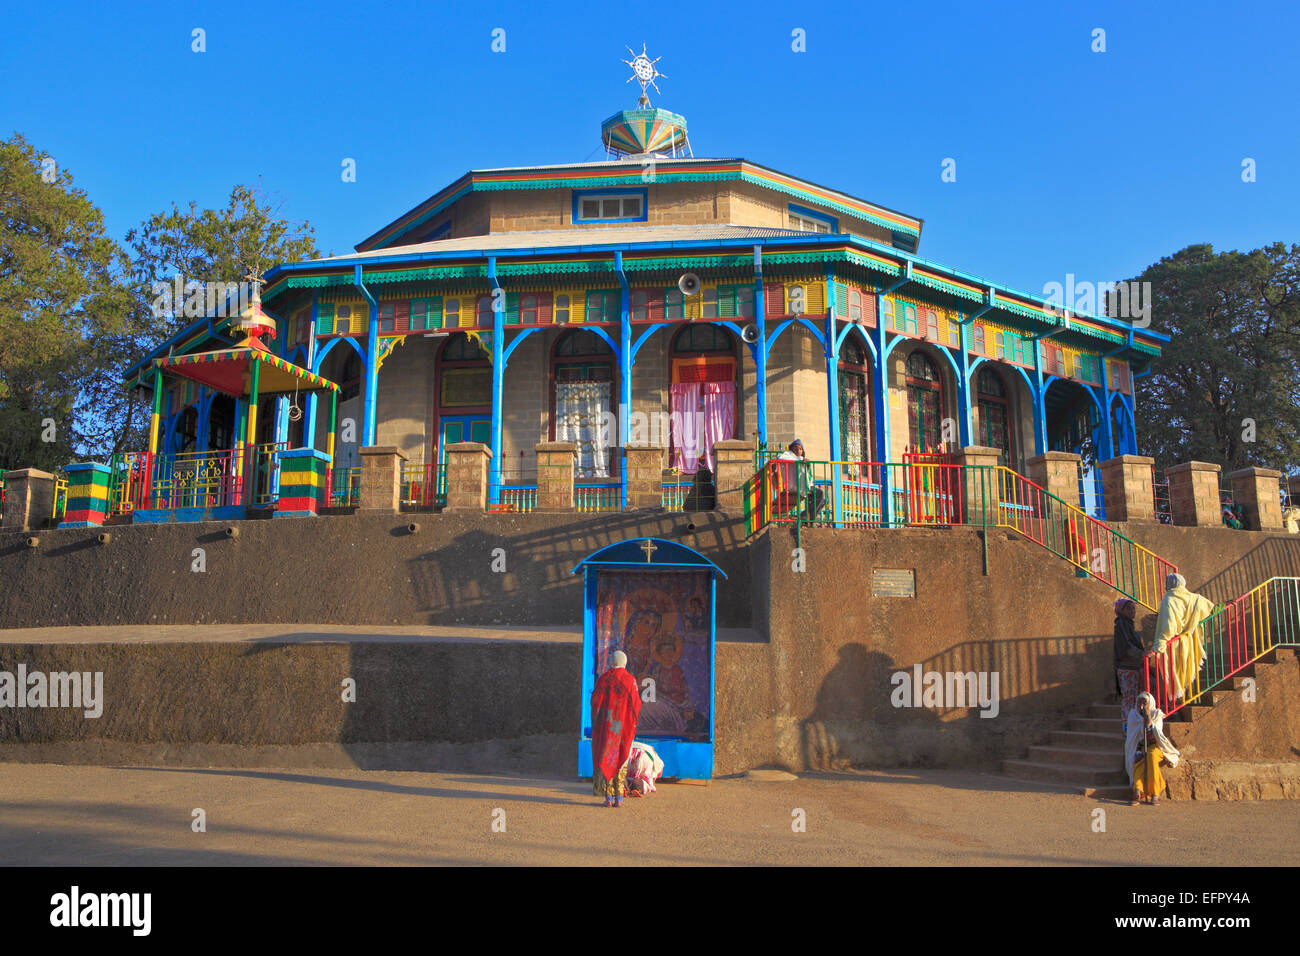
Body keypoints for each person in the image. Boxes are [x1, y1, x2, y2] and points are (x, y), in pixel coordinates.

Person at [1152, 572, 1216, 704]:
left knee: (1176, 673)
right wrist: (1224, 604)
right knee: (1189, 670)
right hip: (1191, 640)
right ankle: (1192, 700)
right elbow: (1211, 609)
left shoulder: (1169, 600)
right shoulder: (1195, 598)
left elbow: (1168, 626)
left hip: (1174, 644)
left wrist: (1159, 644)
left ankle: (1181, 704)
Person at [590, 650, 642, 808]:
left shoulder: (603, 679)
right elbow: (636, 705)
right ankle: (619, 797)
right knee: (621, 758)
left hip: (606, 728)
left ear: (611, 662)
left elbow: (595, 704)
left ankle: (608, 797)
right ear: (625, 662)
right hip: (624, 728)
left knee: (607, 757)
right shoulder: (630, 680)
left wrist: (597, 724)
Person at [1125, 691, 1180, 805]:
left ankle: (1155, 794)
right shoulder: (1133, 715)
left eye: (1144, 702)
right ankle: (1137, 790)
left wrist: (1147, 715)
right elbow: (1133, 735)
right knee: (1138, 758)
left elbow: (1156, 732)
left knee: (1151, 756)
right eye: (1139, 702)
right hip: (1139, 745)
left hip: (1156, 745)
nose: (1141, 704)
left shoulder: (1157, 714)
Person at [775, 439, 825, 520]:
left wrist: (805, 463)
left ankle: (805, 518)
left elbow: (809, 477)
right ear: (792, 449)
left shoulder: (802, 459)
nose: (798, 450)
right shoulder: (788, 455)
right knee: (820, 493)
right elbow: (779, 457)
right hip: (795, 486)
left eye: (800, 449)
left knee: (823, 501)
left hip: (803, 485)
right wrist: (799, 460)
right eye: (796, 448)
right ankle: (805, 518)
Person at [1112, 598, 1144, 724]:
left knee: (1135, 699)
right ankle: (1128, 729)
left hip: (1134, 668)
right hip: (1127, 669)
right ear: (1121, 610)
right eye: (1129, 608)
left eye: (1134, 608)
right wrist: (1141, 653)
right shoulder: (1122, 624)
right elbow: (1126, 646)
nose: (1133, 611)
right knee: (1129, 700)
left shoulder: (1129, 625)